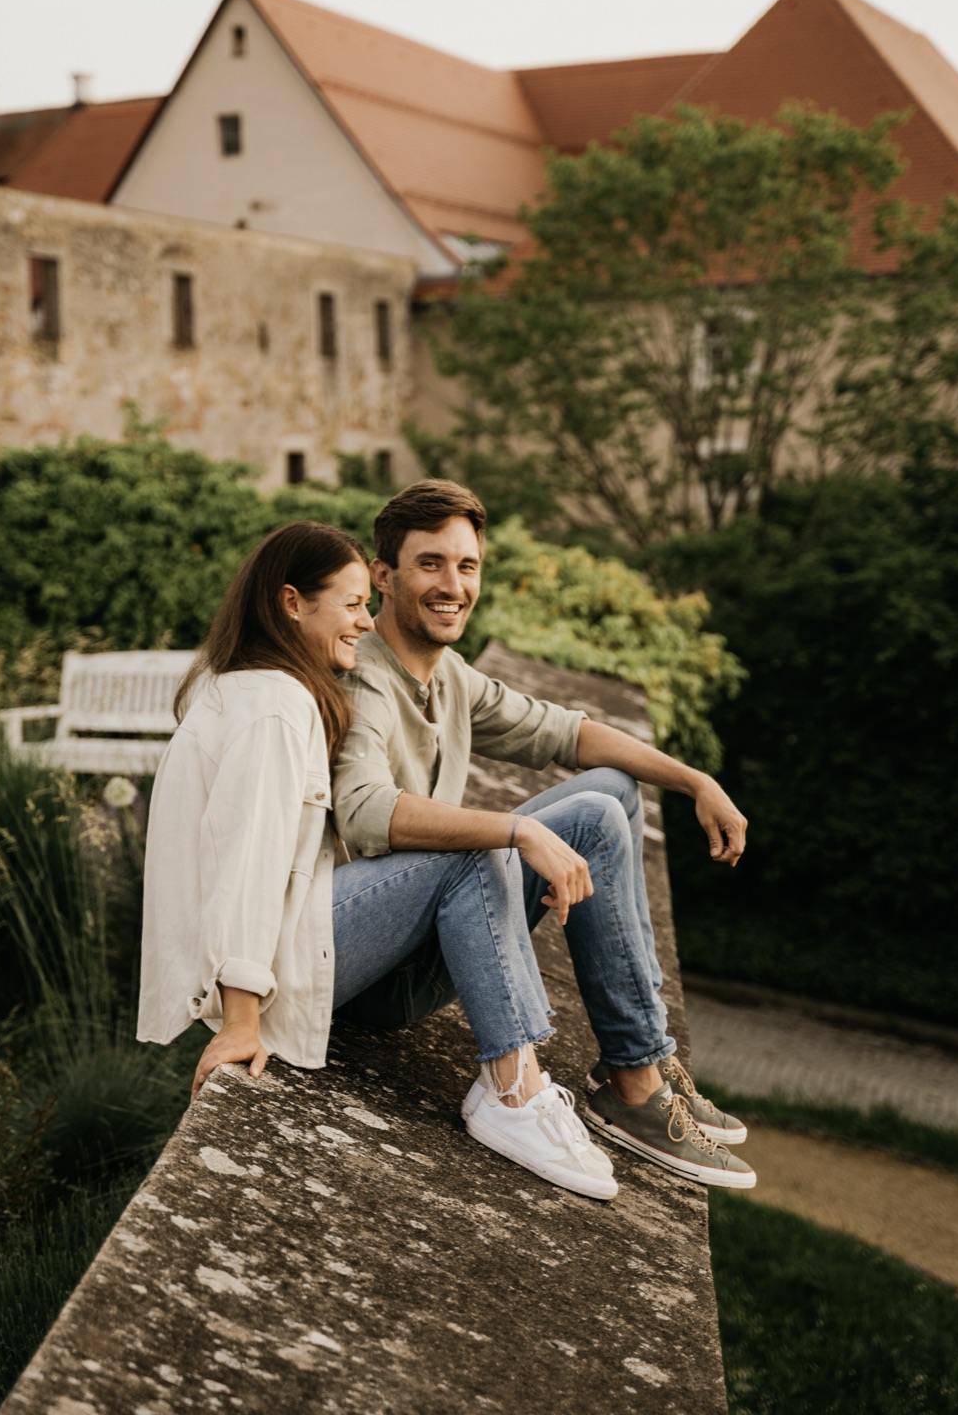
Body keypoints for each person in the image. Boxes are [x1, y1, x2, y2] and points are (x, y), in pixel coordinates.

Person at [138, 519, 620, 1200]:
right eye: (354, 603)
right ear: (291, 602)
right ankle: (513, 1090)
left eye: (369, 603)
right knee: (474, 847)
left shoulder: (254, 684)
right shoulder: (277, 708)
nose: (367, 623)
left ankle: (574, 1074)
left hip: (303, 941)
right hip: (280, 967)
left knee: (584, 811)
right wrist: (243, 1020)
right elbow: (247, 866)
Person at [332, 480, 757, 1191]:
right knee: (551, 825)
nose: (453, 584)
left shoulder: (450, 678)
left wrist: (694, 781)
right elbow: (367, 811)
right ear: (384, 575)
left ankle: (641, 1058)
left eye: (467, 566)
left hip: (419, 943)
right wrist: (518, 828)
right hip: (355, 967)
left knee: (613, 791)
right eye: (431, 563)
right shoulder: (362, 679)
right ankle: (611, 1082)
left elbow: (570, 732)